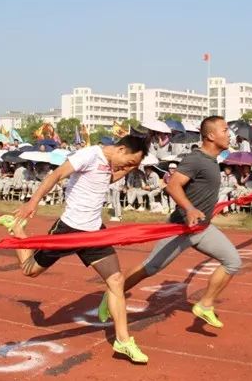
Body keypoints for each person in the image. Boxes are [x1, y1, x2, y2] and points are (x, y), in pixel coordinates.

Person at [11, 135, 151, 364]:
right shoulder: (88, 154)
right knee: (30, 271)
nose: (126, 168)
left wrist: (129, 168)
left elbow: (106, 179)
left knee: (116, 281)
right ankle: (18, 232)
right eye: (127, 162)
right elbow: (56, 175)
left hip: (94, 232)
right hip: (68, 229)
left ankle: (123, 341)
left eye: (131, 166)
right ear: (121, 149)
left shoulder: (111, 164)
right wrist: (32, 203)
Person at [100, 116, 241, 330]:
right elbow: (173, 186)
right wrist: (190, 209)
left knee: (232, 261)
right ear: (211, 135)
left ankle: (205, 304)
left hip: (202, 228)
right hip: (181, 229)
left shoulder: (213, 161)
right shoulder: (196, 159)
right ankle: (111, 293)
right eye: (224, 129)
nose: (229, 134)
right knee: (150, 267)